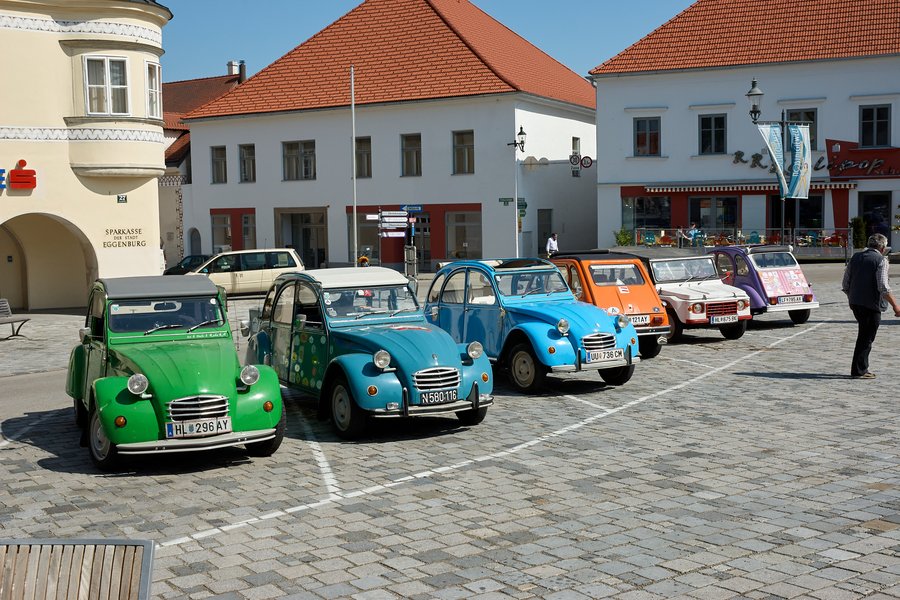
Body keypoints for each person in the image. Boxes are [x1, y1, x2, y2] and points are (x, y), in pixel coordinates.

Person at [841, 233, 900, 379]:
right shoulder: (881, 260)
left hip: (856, 303)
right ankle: (859, 370)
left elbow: (845, 283)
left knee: (864, 335)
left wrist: (851, 298)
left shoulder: (855, 257)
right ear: (882, 248)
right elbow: (883, 286)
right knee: (866, 337)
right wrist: (896, 306)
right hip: (871, 304)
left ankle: (860, 368)